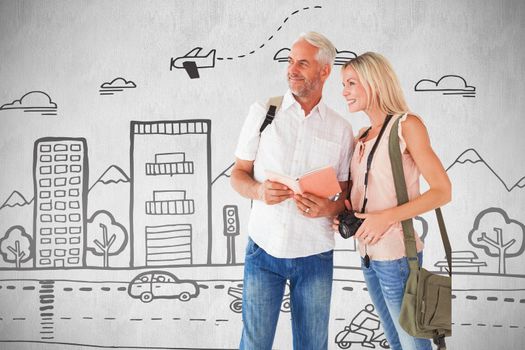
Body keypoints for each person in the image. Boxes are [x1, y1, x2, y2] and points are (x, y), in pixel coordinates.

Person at [230, 32, 353, 350]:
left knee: (312, 345)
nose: (292, 69)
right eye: (289, 61)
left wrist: (330, 208)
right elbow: (238, 175)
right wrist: (259, 191)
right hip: (263, 250)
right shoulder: (263, 112)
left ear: (325, 71)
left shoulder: (340, 129)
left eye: (302, 63)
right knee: (255, 344)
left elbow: (346, 191)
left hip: (314, 253)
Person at [336, 52, 451, 350]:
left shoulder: (406, 126)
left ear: (374, 83)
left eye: (351, 83)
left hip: (397, 255)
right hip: (367, 254)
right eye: (343, 84)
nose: (343, 91)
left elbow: (442, 191)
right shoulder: (361, 135)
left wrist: (386, 217)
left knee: (413, 344)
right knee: (395, 342)